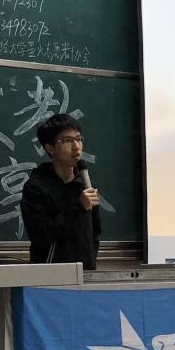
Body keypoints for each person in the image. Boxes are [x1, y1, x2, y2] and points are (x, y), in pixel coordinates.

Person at [21, 113, 101, 269]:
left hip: (85, 272)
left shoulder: (84, 184)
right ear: (49, 147)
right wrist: (78, 207)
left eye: (78, 139)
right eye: (67, 141)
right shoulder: (36, 188)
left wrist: (90, 260)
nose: (76, 147)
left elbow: (95, 231)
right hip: (50, 273)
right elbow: (41, 235)